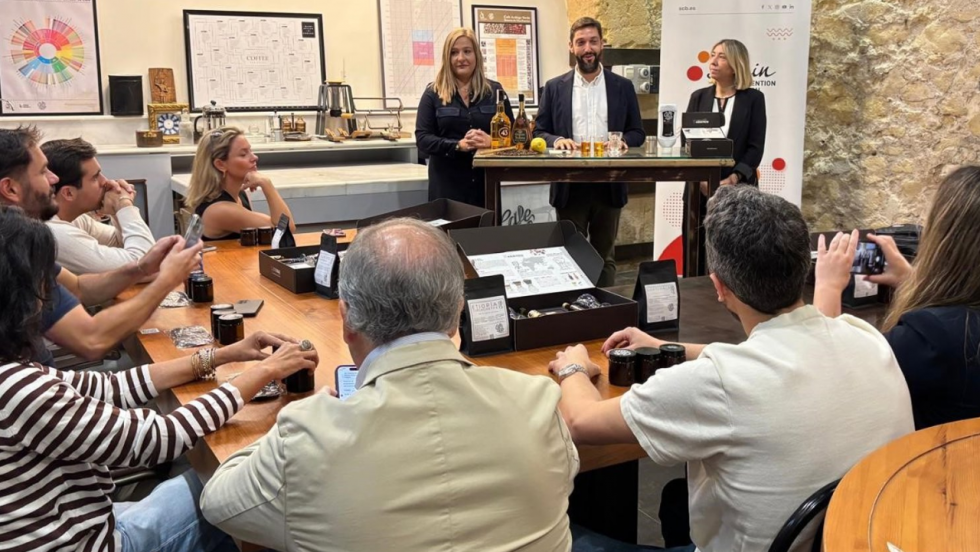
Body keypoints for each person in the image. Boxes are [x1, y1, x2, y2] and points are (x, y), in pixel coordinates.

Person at [549, 185, 913, 552]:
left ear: (719, 287)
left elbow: (581, 422)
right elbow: (771, 356)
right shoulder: (866, 338)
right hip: (856, 540)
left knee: (570, 539)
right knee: (677, 500)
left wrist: (574, 368)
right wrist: (666, 348)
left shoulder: (715, 383)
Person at [201, 218, 578, 551]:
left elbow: (218, 501)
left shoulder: (309, 434)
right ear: (457, 312)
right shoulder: (539, 402)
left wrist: (300, 418)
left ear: (346, 321)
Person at [0, 205, 320, 552]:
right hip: (95, 541)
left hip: (79, 521)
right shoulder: (16, 388)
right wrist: (265, 371)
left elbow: (109, 387)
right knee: (234, 488)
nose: (50, 290)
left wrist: (225, 354)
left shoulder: (14, 372)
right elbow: (158, 438)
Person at [0, 126, 201, 365]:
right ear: (10, 189)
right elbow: (92, 340)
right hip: (48, 382)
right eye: (43, 172)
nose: (53, 179)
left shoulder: (18, 237)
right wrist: (167, 280)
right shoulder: (22, 242)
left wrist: (141, 267)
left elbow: (79, 288)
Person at [814, 165, 980, 430]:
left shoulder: (930, 341)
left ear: (944, 241)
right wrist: (910, 279)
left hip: (931, 466)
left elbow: (833, 380)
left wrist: (828, 288)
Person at [533, 17, 645, 286]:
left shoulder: (623, 87)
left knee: (604, 254)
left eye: (593, 41)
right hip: (570, 183)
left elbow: (637, 132)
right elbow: (539, 131)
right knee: (568, 254)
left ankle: (606, 314)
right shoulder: (554, 87)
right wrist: (556, 139)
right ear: (571, 47)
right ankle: (574, 315)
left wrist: (622, 141)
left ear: (602, 44)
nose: (588, 48)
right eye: (581, 42)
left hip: (610, 182)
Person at [415, 27, 514, 207]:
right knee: (447, 235)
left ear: (476, 55)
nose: (461, 58)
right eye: (454, 53)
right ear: (447, 58)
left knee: (484, 233)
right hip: (447, 188)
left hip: (485, 186)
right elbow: (422, 139)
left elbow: (516, 137)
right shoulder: (432, 93)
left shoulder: (495, 92)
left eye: (467, 51)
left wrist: (492, 141)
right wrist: (457, 145)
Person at [42, 137, 156, 274]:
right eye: (95, 178)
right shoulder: (55, 233)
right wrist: (125, 205)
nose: (106, 182)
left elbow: (118, 242)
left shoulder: (73, 218)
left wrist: (115, 211)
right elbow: (147, 263)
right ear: (68, 193)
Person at [183, 127, 295, 241]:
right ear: (220, 165)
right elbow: (285, 230)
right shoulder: (220, 210)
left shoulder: (240, 194)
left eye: (250, 151)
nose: (254, 157)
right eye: (243, 154)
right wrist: (267, 184)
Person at [687, 39, 766, 189]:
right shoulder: (698, 97)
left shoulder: (754, 99)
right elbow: (688, 141)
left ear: (736, 65)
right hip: (700, 186)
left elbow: (756, 147)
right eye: (712, 55)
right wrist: (700, 178)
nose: (713, 62)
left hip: (739, 188)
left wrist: (734, 177)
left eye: (722, 57)